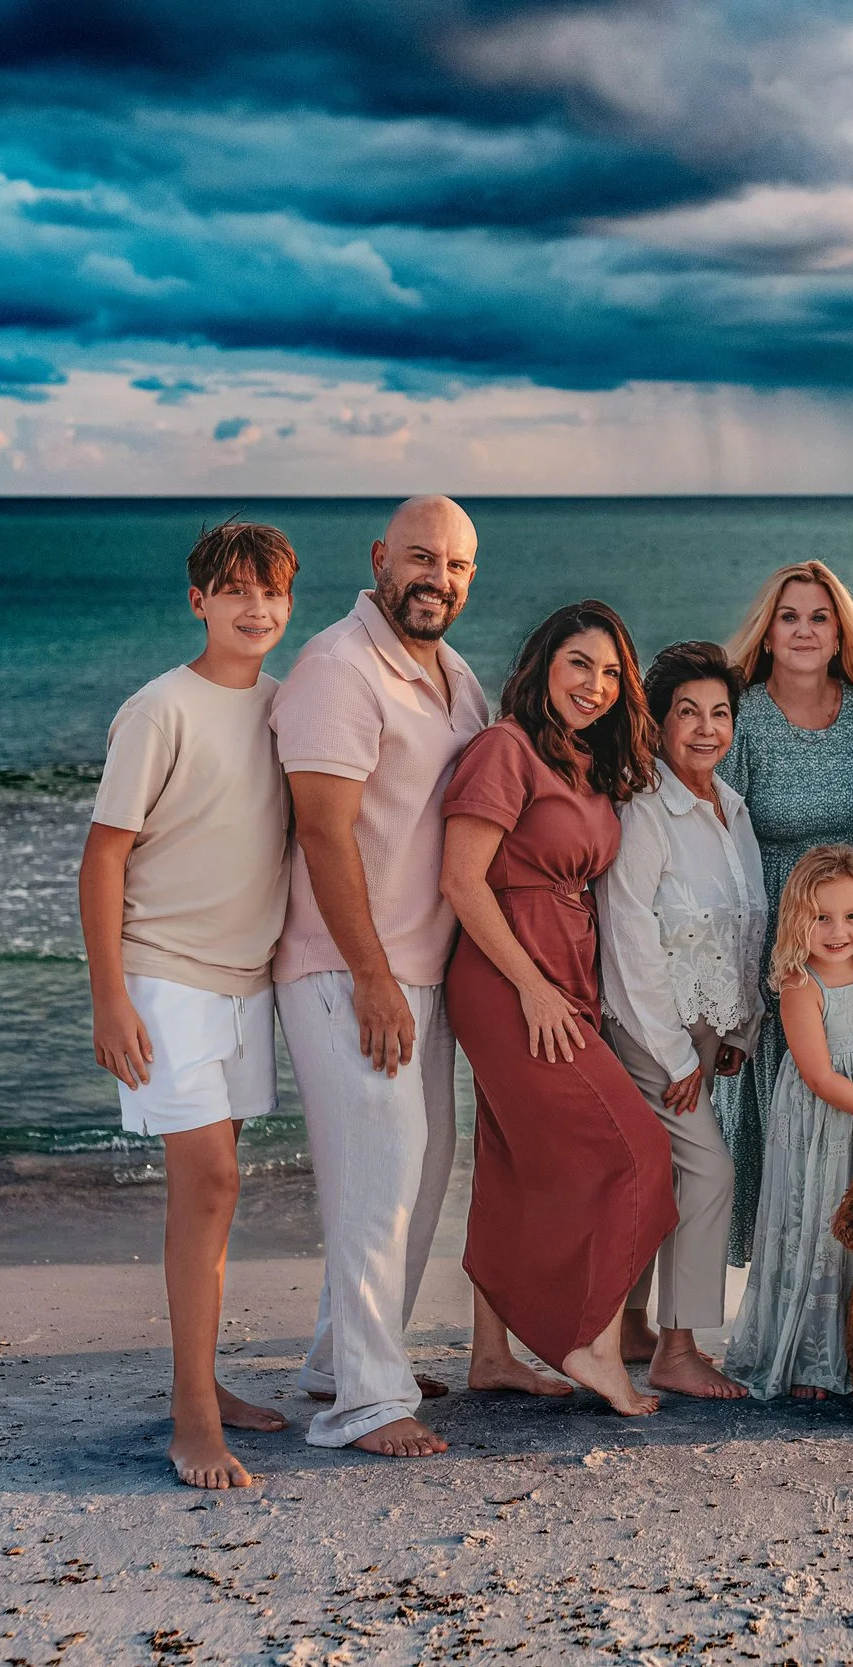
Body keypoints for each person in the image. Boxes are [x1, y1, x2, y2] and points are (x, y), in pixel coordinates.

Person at [274, 495, 519, 1462]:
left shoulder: (453, 675)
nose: (438, 578)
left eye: (456, 565)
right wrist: (371, 975)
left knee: (415, 1174)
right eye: (421, 558)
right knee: (379, 1180)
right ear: (381, 558)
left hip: (425, 970)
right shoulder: (339, 667)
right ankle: (366, 1405)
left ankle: (343, 1358)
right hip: (348, 968)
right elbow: (322, 832)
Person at [79, 520, 298, 1488]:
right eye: (236, 590)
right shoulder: (158, 709)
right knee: (206, 1181)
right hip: (164, 974)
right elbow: (103, 856)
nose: (258, 609)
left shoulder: (289, 708)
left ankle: (204, 1379)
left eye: (274, 593)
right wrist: (109, 996)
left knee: (222, 1190)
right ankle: (193, 1413)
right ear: (197, 599)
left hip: (247, 979)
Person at [441, 600, 675, 1416]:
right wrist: (533, 987)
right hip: (510, 980)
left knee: (510, 1165)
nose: (597, 685)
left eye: (613, 672)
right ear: (543, 663)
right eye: (580, 663)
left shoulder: (579, 760)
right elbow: (462, 879)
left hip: (564, 976)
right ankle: (593, 1344)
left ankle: (490, 1354)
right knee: (636, 1153)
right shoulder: (504, 749)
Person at [597, 641, 765, 1400]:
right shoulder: (642, 812)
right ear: (658, 723)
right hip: (646, 1031)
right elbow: (628, 941)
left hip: (705, 1030)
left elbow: (748, 926)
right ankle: (679, 1346)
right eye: (687, 713)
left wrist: (738, 1032)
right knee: (710, 1169)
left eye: (719, 713)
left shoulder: (732, 808)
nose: (705, 728)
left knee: (661, 1172)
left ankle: (633, 1323)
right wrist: (675, 1056)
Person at [715, 561, 853, 1268]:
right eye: (790, 616)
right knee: (787, 1111)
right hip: (780, 929)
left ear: (840, 628)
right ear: (769, 627)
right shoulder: (744, 714)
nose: (805, 630)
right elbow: (719, 831)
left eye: (820, 616)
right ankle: (790, 1284)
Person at [724, 845, 853, 1401]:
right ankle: (810, 1359)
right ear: (797, 920)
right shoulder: (799, 983)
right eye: (821, 917)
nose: (838, 931)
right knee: (818, 1222)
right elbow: (820, 1078)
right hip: (823, 1124)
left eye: (852, 916)